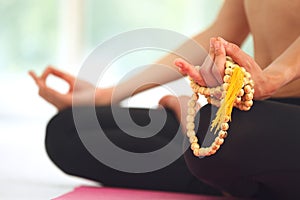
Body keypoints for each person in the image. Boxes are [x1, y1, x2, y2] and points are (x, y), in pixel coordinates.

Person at [29, 0, 300, 199]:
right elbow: (221, 31)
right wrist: (104, 95)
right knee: (68, 130)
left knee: (209, 129)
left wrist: (272, 78)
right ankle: (241, 176)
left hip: (285, 120)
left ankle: (227, 166)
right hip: (253, 115)